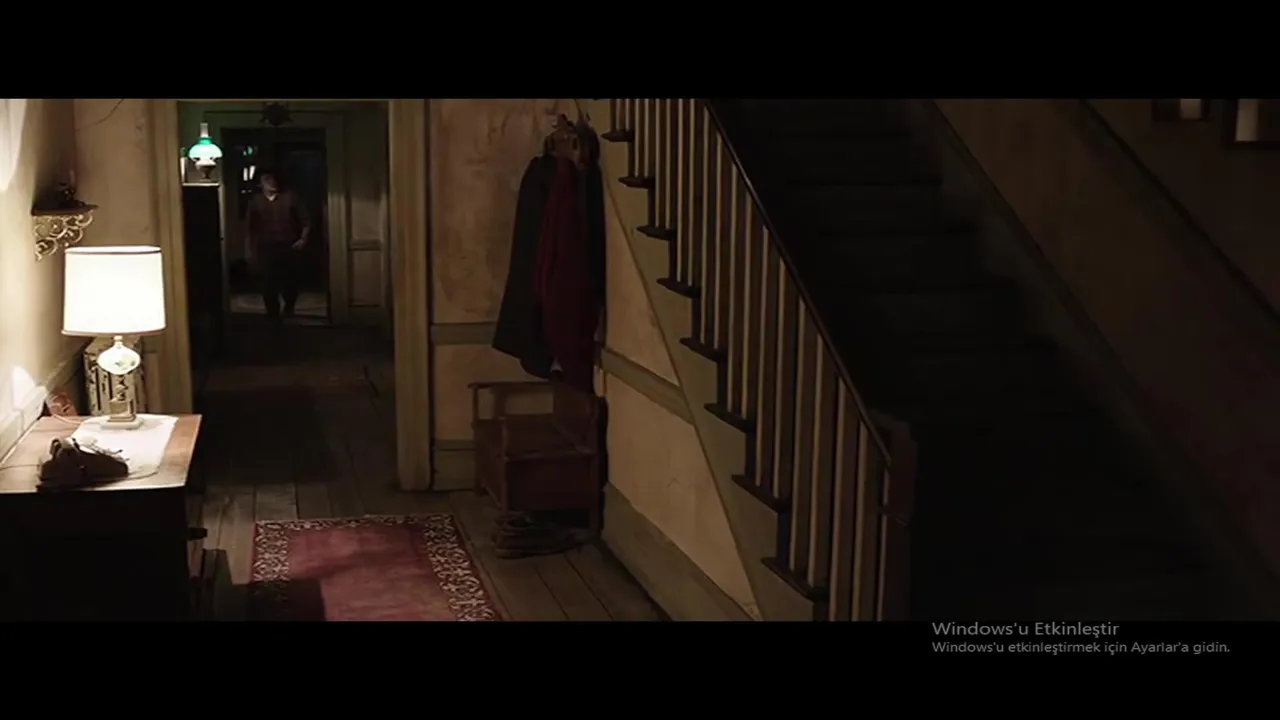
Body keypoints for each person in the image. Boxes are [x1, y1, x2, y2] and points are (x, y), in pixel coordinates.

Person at [245, 169, 310, 321]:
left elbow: (305, 221)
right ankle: (272, 313)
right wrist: (249, 249)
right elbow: (250, 228)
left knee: (290, 280)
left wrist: (303, 239)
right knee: (267, 282)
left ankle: (289, 307)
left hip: (288, 245)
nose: (271, 182)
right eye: (267, 180)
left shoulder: (290, 198)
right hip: (266, 246)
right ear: (261, 184)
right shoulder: (256, 201)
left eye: (273, 179)